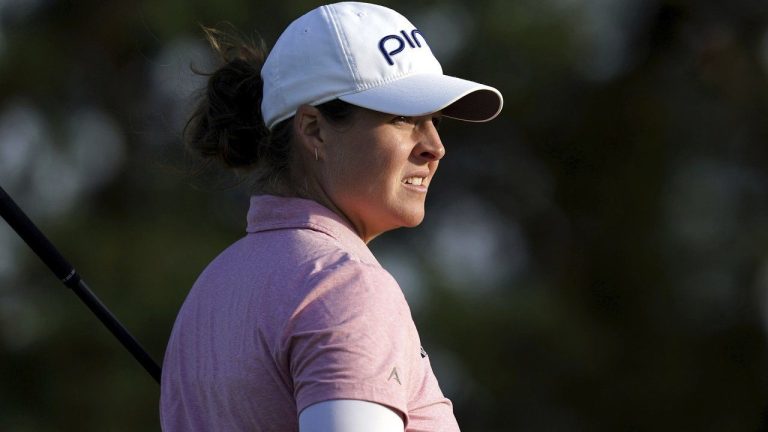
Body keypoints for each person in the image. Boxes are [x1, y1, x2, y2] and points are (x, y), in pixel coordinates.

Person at [159, 2, 503, 431]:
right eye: (403, 118)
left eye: (432, 119)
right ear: (313, 129)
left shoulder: (210, 289)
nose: (434, 145)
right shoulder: (345, 285)